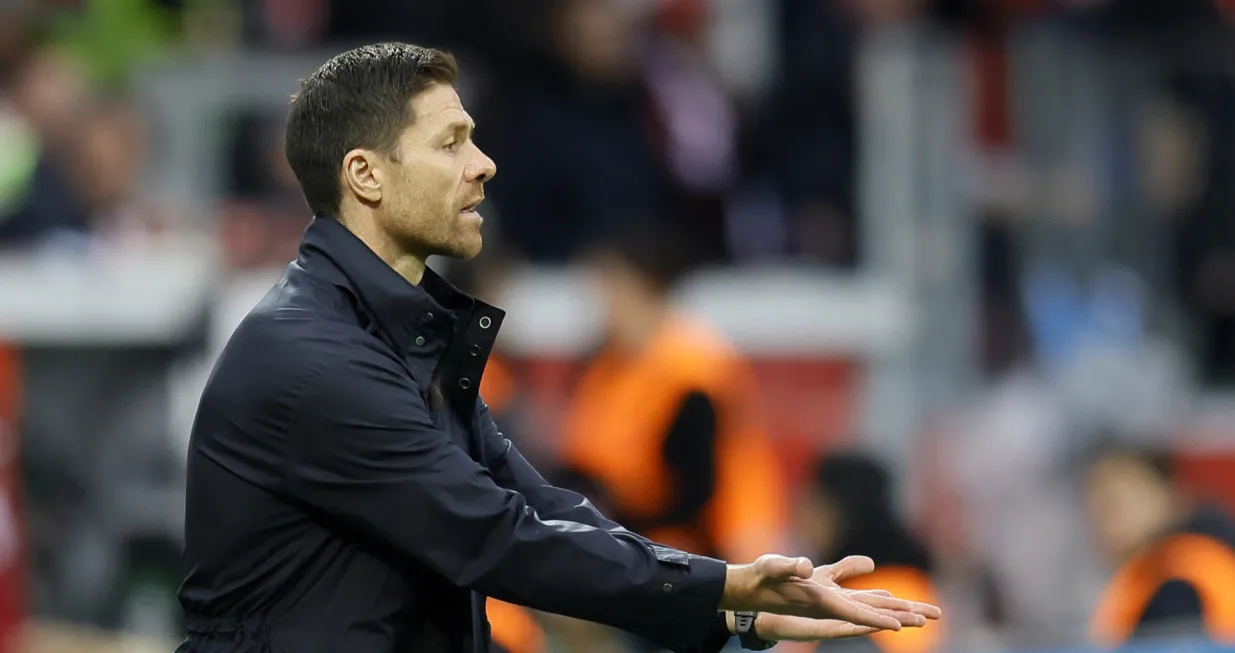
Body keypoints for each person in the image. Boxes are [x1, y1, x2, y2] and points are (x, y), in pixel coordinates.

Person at [176, 43, 941, 653]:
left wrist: (733, 598)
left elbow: (540, 505)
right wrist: (720, 590)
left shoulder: (392, 339)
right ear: (365, 175)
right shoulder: (315, 355)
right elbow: (494, 533)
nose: (483, 164)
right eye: (451, 142)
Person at [558, 223, 787, 565]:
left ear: (646, 290)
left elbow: (696, 489)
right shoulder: (608, 366)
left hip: (710, 546)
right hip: (636, 535)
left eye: (610, 292)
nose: (602, 307)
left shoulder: (695, 368)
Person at [1085, 440, 1235, 646]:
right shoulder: (1157, 569)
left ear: (1166, 492)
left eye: (1117, 502)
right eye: (1097, 505)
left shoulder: (1179, 579)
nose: (1107, 520)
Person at [796, 452, 944, 653]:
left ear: (841, 511)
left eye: (814, 504)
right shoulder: (905, 578)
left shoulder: (878, 593)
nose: (802, 517)